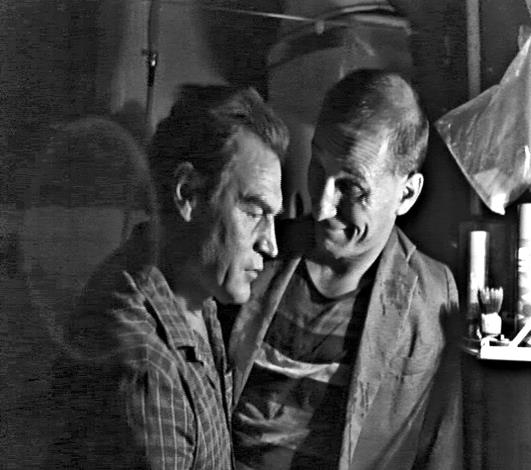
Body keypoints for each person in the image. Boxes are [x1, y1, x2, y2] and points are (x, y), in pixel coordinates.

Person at [229, 69, 462, 470]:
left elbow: (442, 449)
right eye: (318, 168)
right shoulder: (260, 253)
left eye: (351, 187)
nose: (321, 207)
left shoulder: (433, 296)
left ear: (407, 193)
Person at [47, 85, 289, 469]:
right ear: (187, 193)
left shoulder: (195, 291)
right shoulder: (146, 368)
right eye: (254, 211)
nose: (271, 245)